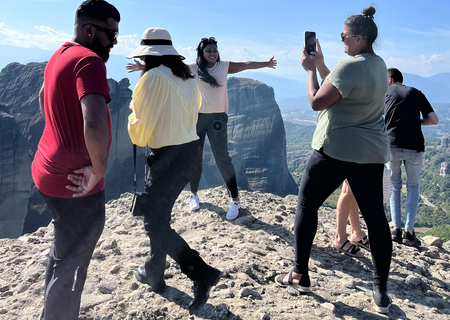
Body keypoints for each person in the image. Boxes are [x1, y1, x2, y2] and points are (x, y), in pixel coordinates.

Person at [275, 6, 393, 314]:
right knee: (375, 217)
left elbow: (317, 102)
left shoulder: (349, 66)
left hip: (335, 148)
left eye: (343, 36)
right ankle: (380, 289)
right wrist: (325, 64)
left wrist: (310, 70)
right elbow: (342, 89)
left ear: (357, 38)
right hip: (370, 153)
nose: (340, 39)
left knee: (306, 203)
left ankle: (299, 274)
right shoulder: (378, 65)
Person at [31, 1, 119, 319]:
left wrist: (59, 135)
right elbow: (93, 120)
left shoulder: (60, 54)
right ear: (90, 31)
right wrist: (98, 170)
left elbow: (43, 95)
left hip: (47, 171)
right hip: (75, 186)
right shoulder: (90, 61)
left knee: (64, 252)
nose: (114, 41)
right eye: (110, 34)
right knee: (73, 269)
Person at [126, 28, 222, 315]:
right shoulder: (186, 76)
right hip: (189, 152)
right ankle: (154, 272)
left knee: (154, 223)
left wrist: (133, 106)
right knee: (160, 216)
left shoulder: (152, 78)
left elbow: (140, 134)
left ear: (147, 56)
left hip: (166, 157)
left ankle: (201, 272)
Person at [129, 39, 277, 219]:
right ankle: (194, 195)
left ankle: (235, 200)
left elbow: (246, 64)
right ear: (202, 52)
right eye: (209, 51)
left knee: (223, 158)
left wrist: (266, 64)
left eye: (215, 50)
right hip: (197, 118)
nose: (213, 53)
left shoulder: (224, 66)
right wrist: (143, 68)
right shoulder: (192, 68)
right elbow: (167, 71)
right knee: (195, 158)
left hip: (218, 119)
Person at [385, 67, 439, 247]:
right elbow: (433, 120)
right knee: (413, 186)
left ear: (390, 79)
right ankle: (409, 232)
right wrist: (417, 122)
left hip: (391, 145)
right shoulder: (416, 93)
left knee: (394, 186)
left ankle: (395, 229)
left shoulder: (384, 92)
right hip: (415, 146)